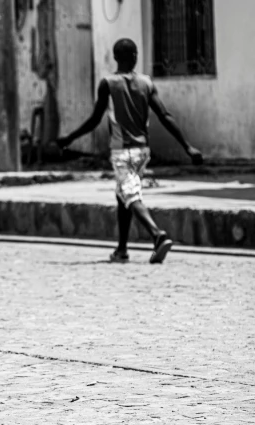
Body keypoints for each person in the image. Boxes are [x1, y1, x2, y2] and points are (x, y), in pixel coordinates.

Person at [56, 38, 203, 264]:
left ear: (115, 57)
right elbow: (165, 116)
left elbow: (95, 120)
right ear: (136, 56)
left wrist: (69, 138)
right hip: (142, 152)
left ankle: (157, 235)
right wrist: (187, 146)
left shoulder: (108, 83)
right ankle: (122, 250)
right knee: (122, 195)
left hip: (122, 152)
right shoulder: (146, 83)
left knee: (131, 196)